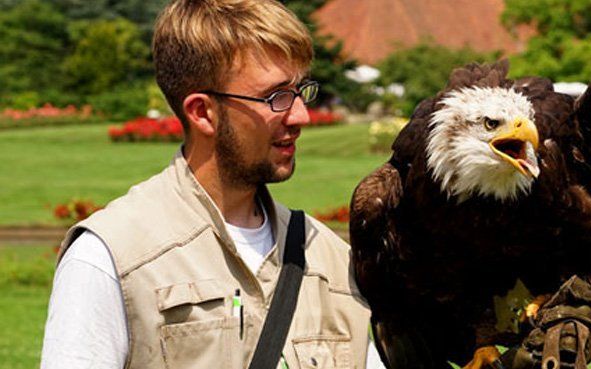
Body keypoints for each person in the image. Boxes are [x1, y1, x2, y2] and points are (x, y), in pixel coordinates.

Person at [40, 1, 384, 368]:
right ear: (202, 112)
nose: (300, 115)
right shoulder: (111, 258)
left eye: (300, 90)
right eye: (276, 97)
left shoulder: (331, 260)